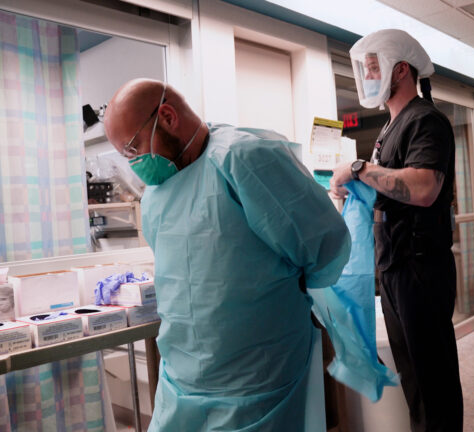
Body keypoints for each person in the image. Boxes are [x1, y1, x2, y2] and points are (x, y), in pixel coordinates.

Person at [104, 79, 351, 431]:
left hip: (256, 380)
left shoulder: (245, 158)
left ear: (168, 116)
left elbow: (322, 247)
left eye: (133, 148)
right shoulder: (156, 195)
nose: (135, 163)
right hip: (181, 377)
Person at [330, 29, 463, 432]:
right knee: (414, 379)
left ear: (400, 69)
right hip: (395, 268)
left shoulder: (425, 120)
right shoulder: (390, 127)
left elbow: (423, 188)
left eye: (374, 68)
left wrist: (359, 169)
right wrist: (355, 184)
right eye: (366, 69)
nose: (368, 76)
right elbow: (386, 184)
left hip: (420, 268)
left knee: (432, 378)